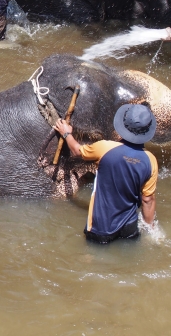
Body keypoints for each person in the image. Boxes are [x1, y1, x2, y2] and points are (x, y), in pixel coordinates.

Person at [53, 104, 158, 244]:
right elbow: (147, 200)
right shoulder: (150, 160)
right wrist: (150, 228)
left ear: (122, 127)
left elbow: (77, 151)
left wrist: (66, 133)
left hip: (101, 227)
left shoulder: (104, 147)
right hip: (130, 227)